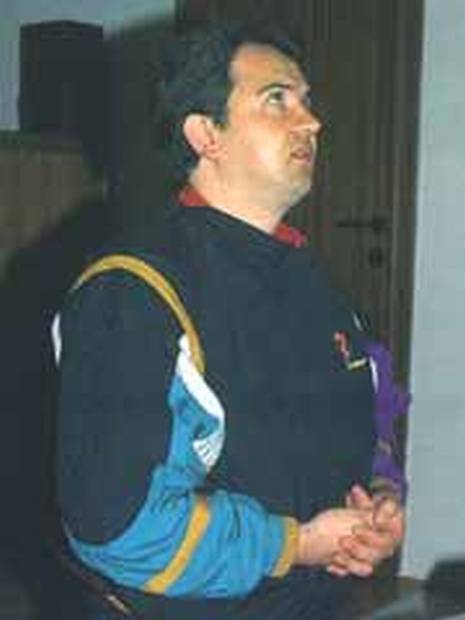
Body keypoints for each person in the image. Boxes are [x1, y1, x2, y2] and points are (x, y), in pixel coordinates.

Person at [52, 20, 406, 620]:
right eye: (277, 99)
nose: (312, 122)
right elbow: (114, 526)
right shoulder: (133, 291)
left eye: (306, 101)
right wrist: (294, 545)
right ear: (205, 134)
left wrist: (380, 501)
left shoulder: (322, 292)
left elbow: (373, 425)